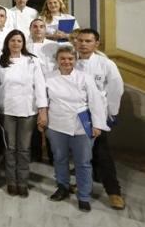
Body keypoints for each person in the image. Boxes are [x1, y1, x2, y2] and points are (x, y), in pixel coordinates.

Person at [40, 46, 108, 212]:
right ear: (57, 60)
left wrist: (98, 124)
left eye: (70, 59)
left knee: (83, 162)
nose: (66, 62)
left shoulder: (85, 78)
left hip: (81, 125)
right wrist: (42, 119)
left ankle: (84, 196)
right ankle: (62, 186)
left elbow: (95, 101)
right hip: (56, 125)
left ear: (75, 60)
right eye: (62, 58)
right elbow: (43, 100)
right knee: (60, 158)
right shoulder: (48, 78)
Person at [74, 29, 126, 209]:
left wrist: (112, 112)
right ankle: (84, 185)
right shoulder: (71, 62)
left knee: (102, 154)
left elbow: (116, 88)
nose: (83, 44)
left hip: (97, 115)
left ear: (97, 43)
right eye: (80, 40)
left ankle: (114, 192)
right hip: (76, 115)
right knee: (82, 154)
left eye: (88, 41)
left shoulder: (106, 64)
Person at [0, 30, 47, 197]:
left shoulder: (32, 60)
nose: (16, 44)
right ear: (7, 43)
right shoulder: (0, 61)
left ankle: (23, 181)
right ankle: (11, 181)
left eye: (19, 41)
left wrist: (42, 110)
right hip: (7, 110)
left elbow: (40, 85)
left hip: (27, 110)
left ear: (23, 43)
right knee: (10, 148)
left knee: (24, 149)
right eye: (12, 40)